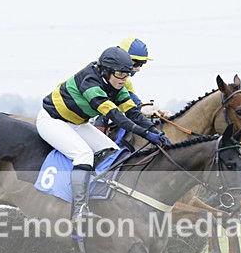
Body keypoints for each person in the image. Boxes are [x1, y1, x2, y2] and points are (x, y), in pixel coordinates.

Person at [37, 46, 170, 222]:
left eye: (127, 74)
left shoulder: (116, 84)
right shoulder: (90, 82)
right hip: (52, 121)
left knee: (113, 151)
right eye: (120, 74)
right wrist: (146, 134)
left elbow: (133, 113)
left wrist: (155, 132)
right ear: (106, 71)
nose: (124, 79)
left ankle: (102, 199)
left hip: (77, 122)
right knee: (83, 155)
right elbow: (117, 117)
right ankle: (78, 210)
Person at [94, 36, 169, 138]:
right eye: (136, 63)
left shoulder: (126, 83)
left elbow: (133, 103)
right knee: (103, 118)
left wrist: (147, 109)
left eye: (141, 64)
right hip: (84, 117)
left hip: (109, 113)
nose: (138, 69)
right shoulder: (98, 73)